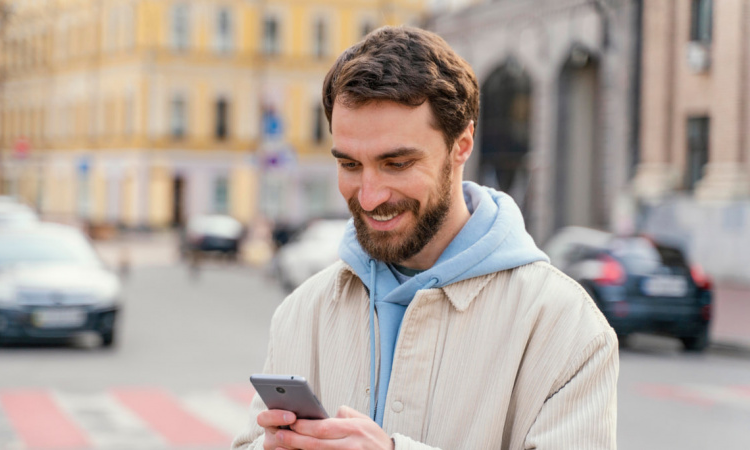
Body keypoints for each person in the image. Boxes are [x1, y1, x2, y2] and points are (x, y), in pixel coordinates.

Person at [233, 26, 618, 450]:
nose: (369, 195)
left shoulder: (565, 326)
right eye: (350, 164)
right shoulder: (302, 312)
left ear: (462, 145)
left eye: (396, 163)